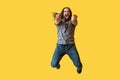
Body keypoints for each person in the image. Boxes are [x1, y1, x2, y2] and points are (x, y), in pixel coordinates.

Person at [51, 7, 82, 74]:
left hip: (71, 46)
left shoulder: (72, 22)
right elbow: (57, 19)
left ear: (70, 13)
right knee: (53, 64)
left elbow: (74, 19)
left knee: (78, 64)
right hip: (60, 46)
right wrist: (58, 15)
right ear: (63, 13)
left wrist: (74, 16)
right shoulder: (59, 22)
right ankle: (57, 64)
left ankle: (79, 67)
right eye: (65, 11)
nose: (66, 12)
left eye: (68, 11)